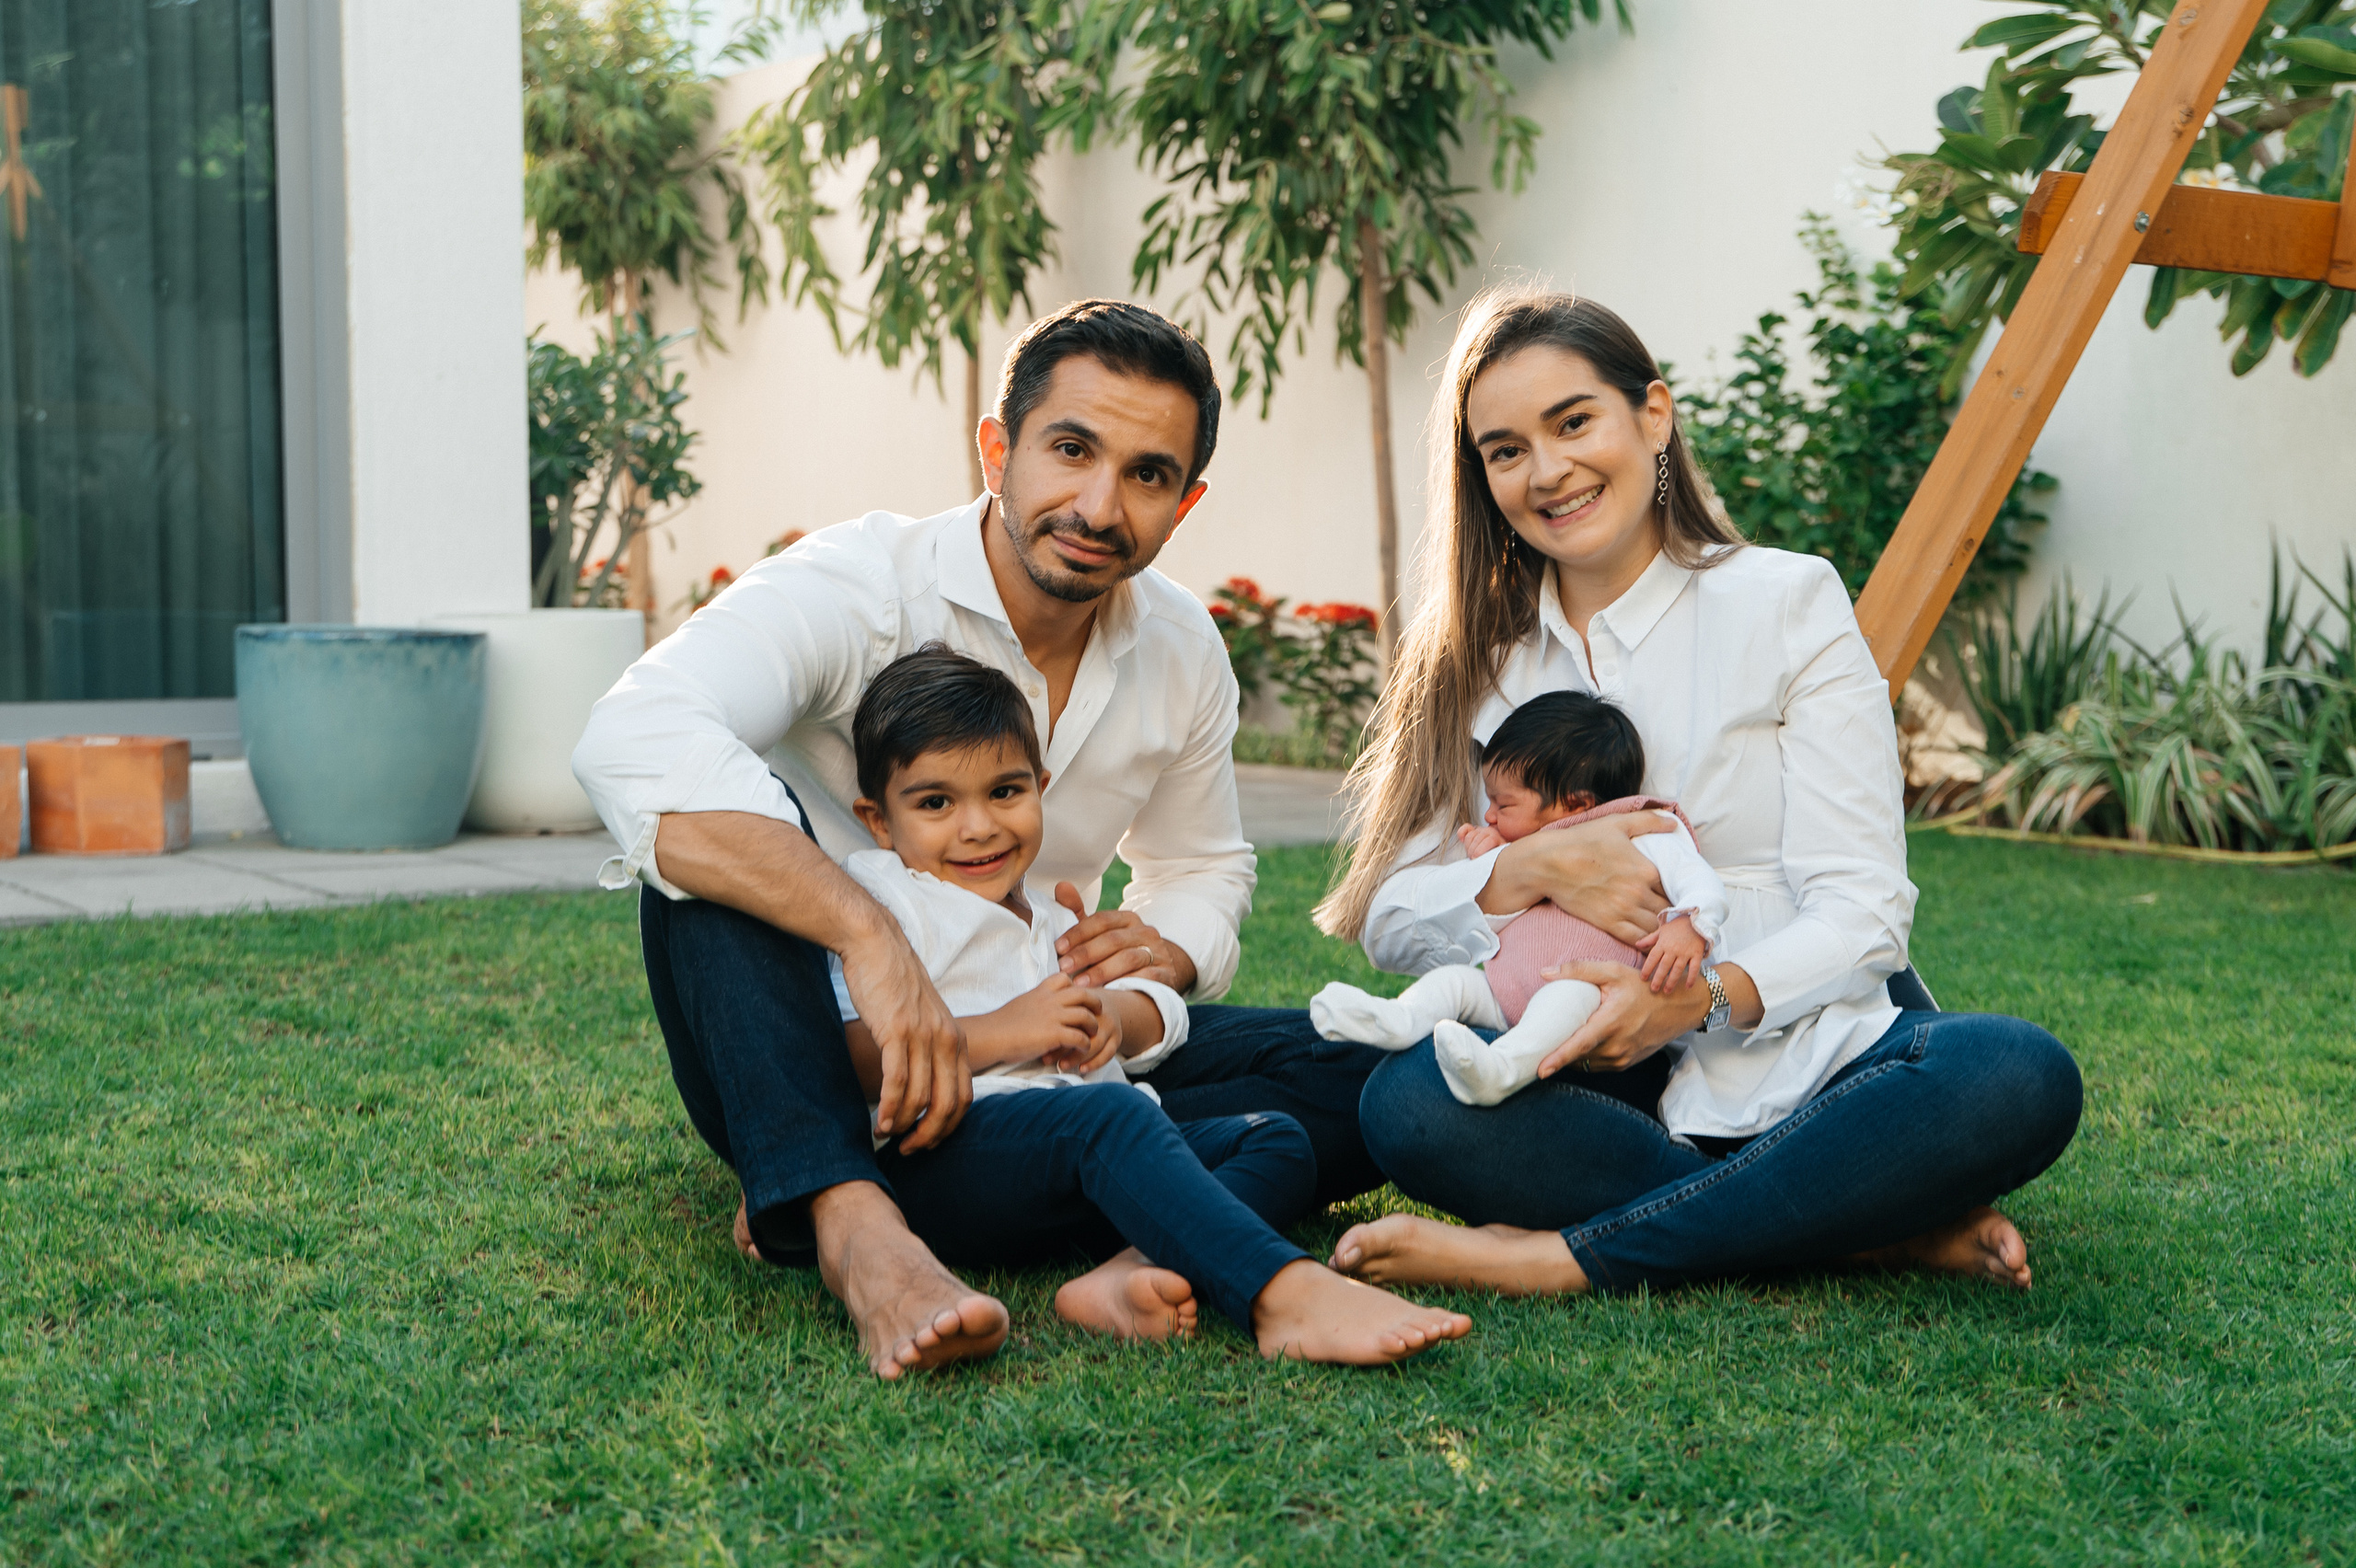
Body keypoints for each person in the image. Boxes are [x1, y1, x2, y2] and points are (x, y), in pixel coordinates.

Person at [572, 299, 1392, 1379]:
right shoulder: (861, 589)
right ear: (997, 449)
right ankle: (852, 1222)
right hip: (829, 1063)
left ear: (1182, 503)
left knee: (1360, 1076)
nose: (1099, 505)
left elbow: (1200, 866)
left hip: (1048, 1045)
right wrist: (867, 935)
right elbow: (633, 734)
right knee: (706, 850)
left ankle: (1123, 1232)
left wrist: (1158, 964)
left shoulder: (1182, 646)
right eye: (1069, 450)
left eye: (1146, 475)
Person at [1313, 288, 2083, 1299]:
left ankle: (1565, 1258)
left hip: (1803, 1044)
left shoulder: (1787, 601)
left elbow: (1863, 910)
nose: (1547, 472)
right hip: (1588, 1069)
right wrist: (1530, 870)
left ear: (1654, 415)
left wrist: (1690, 1003)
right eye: (1503, 450)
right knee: (1410, 1102)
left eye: (1573, 421)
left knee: (2018, 1075)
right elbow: (1391, 916)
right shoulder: (1470, 661)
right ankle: (1850, 1225)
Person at [810, 643, 1469, 1361]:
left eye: (1005, 791)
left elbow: (1135, 1017)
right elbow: (853, 1056)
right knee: (1110, 1114)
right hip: (949, 1161)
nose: (979, 826)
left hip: (1080, 1163)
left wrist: (1111, 1021)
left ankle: (1128, 1273)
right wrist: (1009, 1030)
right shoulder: (883, 901)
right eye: (936, 803)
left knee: (1275, 1137)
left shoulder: (1055, 919)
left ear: (1042, 785)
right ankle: (1281, 1293)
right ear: (878, 821)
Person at [1307, 690, 1727, 1106]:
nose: (1488, 815)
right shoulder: (1526, 843)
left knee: (1566, 998)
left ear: (1574, 804)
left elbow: (1697, 879)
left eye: (1502, 803)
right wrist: (1488, 862)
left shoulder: (1645, 830)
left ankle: (1501, 1069)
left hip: (1587, 995)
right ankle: (1399, 1019)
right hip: (1501, 989)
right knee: (1454, 983)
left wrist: (1689, 925)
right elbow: (1503, 907)